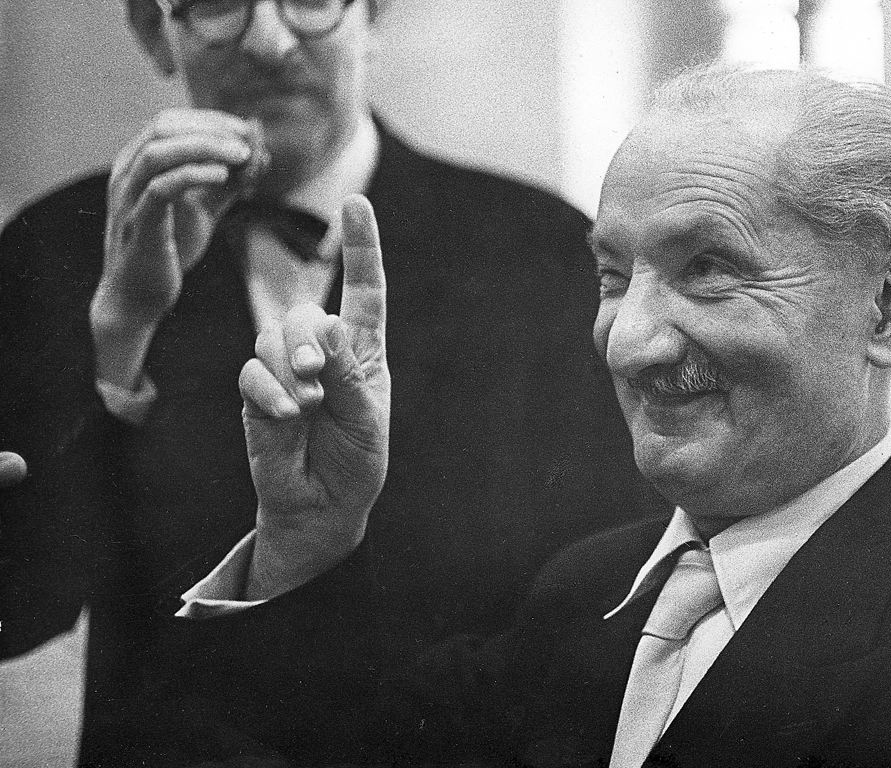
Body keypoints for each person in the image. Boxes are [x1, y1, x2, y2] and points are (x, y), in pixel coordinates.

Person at [167, 66, 891, 767]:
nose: (629, 342)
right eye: (613, 277)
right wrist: (306, 537)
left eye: (709, 269)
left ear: (889, 304)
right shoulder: (583, 593)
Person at [0, 0, 652, 764]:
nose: (270, 41)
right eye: (220, 3)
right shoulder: (55, 249)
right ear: (154, 31)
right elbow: (23, 611)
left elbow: (595, 609)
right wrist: (119, 343)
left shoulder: (539, 253)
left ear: (372, 14)